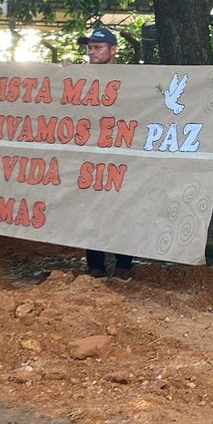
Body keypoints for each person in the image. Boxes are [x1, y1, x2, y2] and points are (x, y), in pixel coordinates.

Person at [76, 24, 133, 281]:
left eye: (98, 47)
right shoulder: (81, 79)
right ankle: (95, 264)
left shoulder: (133, 80)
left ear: (113, 49)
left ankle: (124, 264)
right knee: (92, 210)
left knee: (122, 209)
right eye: (90, 48)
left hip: (122, 155)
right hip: (91, 156)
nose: (92, 52)